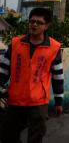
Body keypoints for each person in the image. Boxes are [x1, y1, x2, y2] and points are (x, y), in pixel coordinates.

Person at [0, 8, 64, 143]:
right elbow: (4, 70)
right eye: (31, 21)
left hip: (38, 101)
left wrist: (59, 102)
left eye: (38, 22)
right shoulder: (16, 43)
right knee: (8, 135)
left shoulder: (54, 48)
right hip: (15, 99)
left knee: (35, 137)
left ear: (46, 26)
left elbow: (58, 77)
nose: (34, 25)